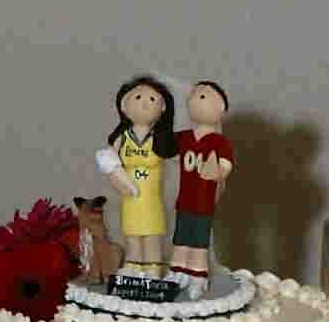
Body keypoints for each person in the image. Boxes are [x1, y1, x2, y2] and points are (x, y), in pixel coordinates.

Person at [96, 75, 178, 269]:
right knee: (132, 237)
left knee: (151, 237)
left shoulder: (160, 139)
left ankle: (152, 269)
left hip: (152, 200)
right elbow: (108, 160)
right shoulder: (122, 138)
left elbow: (179, 160)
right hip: (130, 200)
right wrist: (115, 173)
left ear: (163, 107)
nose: (145, 104)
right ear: (124, 105)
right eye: (138, 98)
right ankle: (133, 268)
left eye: (152, 99)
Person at [169, 78, 234, 280]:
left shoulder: (219, 142)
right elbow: (165, 148)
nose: (194, 100)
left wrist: (218, 172)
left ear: (221, 107)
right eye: (193, 95)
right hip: (184, 200)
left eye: (203, 95)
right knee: (180, 239)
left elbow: (225, 166)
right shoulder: (184, 137)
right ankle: (177, 271)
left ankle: (197, 275)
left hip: (203, 203)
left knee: (198, 241)